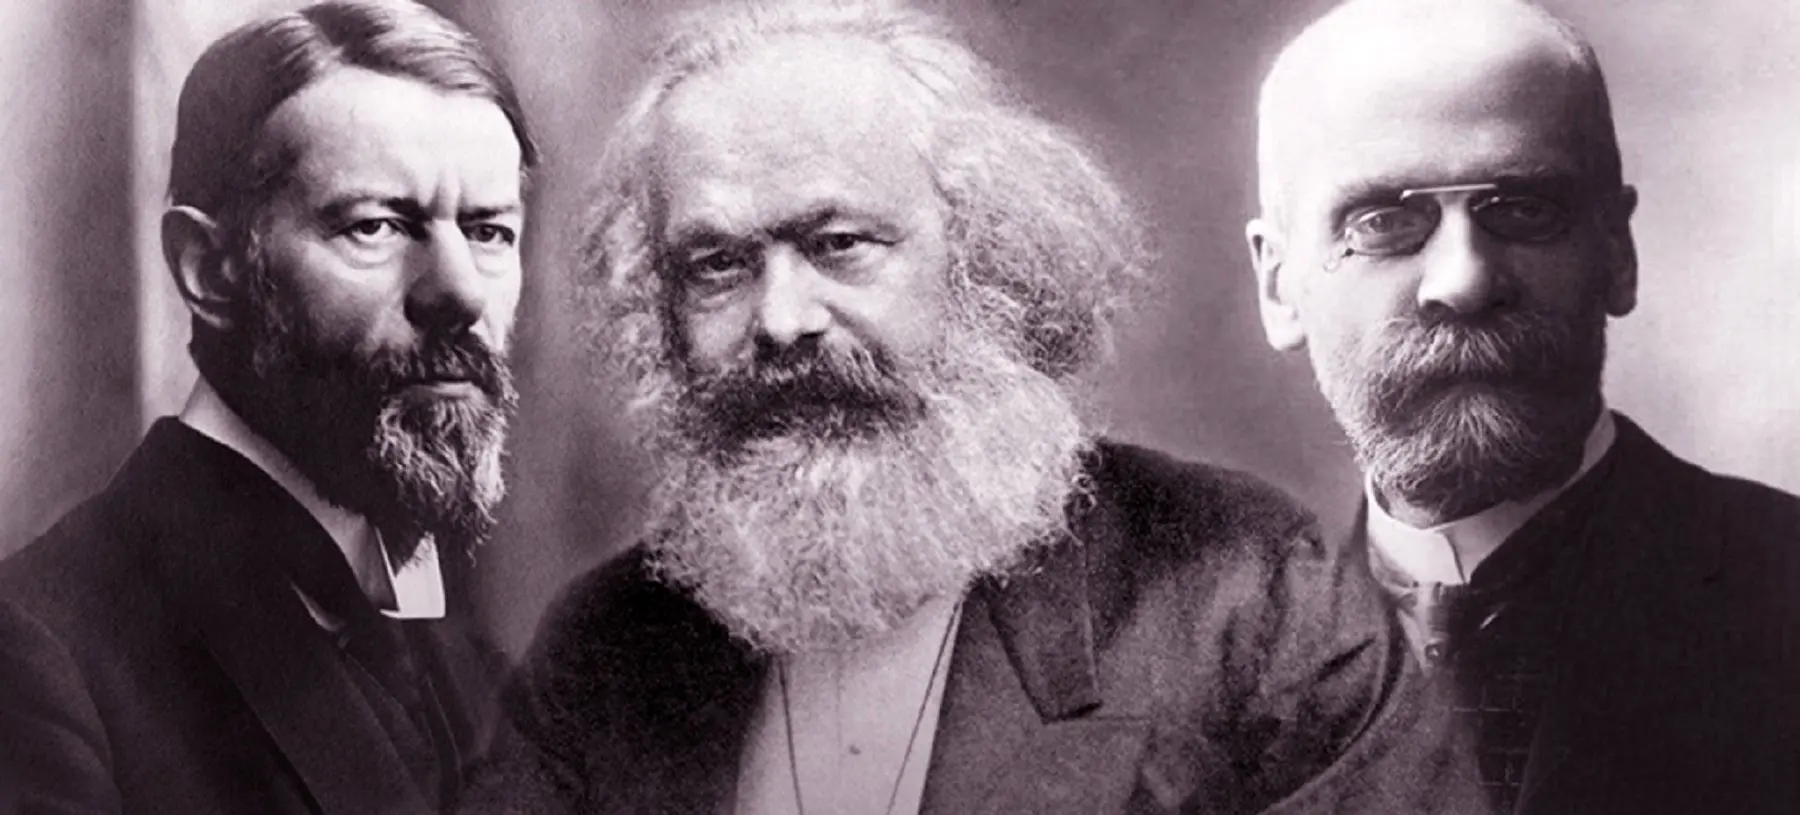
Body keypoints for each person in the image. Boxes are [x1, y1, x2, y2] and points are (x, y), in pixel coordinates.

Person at [465, 2, 1480, 813]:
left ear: (982, 256)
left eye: (839, 244)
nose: (782, 319)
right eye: (717, 265)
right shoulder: (603, 651)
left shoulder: (1244, 597)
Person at [1245, 0, 1800, 812]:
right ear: (1277, 285)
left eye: (1523, 209)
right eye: (1384, 221)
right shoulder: (1217, 679)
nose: (1464, 282)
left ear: (1617, 252)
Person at [0, 1, 537, 812]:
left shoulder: (475, 672)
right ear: (209, 269)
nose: (460, 291)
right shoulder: (43, 659)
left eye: (489, 231)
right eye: (377, 226)